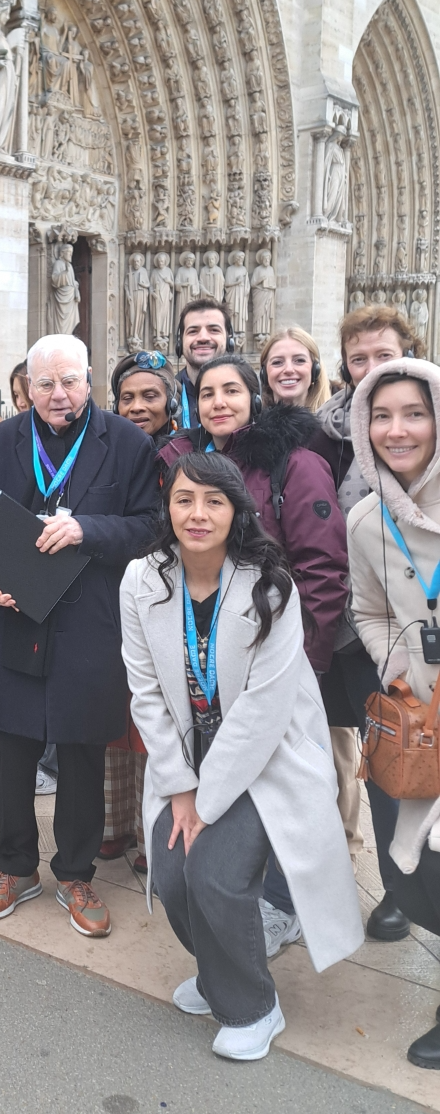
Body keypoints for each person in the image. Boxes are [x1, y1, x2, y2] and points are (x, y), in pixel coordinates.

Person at [121, 453, 362, 1060]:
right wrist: (178, 786)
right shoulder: (141, 579)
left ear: (237, 511)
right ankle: (219, 972)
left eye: (214, 501)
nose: (197, 514)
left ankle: (254, 1004)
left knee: (217, 876)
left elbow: (263, 711)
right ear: (168, 507)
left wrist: (206, 799)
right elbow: (144, 689)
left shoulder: (270, 585)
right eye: (184, 500)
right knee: (173, 875)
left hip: (262, 758)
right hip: (187, 755)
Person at [0, 334, 159, 937]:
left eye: (69, 381)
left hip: (87, 622)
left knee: (79, 750)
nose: (57, 394)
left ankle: (75, 874)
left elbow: (150, 527)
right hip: (16, 614)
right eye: (44, 383)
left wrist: (85, 529)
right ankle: (15, 867)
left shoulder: (127, 443)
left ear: (90, 379)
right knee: (14, 749)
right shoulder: (1, 442)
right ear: (25, 386)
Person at [157, 353, 350, 952]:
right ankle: (251, 893)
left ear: (254, 398)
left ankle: (288, 905)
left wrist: (301, 662)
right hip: (218, 659)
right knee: (240, 782)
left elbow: (322, 569)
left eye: (231, 391)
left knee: (290, 786)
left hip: (283, 657)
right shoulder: (190, 465)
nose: (218, 402)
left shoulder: (295, 463)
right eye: (207, 392)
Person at [313, 304, 425, 943]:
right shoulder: (323, 431)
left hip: (395, 631)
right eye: (359, 359)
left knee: (392, 770)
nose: (371, 369)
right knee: (327, 759)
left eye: (384, 355)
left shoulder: (416, 431)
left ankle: (399, 894)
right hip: (334, 621)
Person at [347, 357, 440, 1068]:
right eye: (381, 415)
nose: (396, 429)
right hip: (419, 721)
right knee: (408, 873)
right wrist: (400, 668)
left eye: (413, 412)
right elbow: (368, 610)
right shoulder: (366, 519)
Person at [97, 349, 182, 872]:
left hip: (168, 597)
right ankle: (114, 824)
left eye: (150, 395)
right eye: (127, 397)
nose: (137, 406)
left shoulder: (182, 452)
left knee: (159, 717)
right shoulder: (106, 452)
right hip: (114, 595)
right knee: (114, 714)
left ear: (170, 399)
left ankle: (157, 833)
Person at [174, 297, 233, 432]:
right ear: (180, 343)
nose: (203, 338)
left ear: (229, 341)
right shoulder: (165, 398)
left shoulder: (248, 398)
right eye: (193, 331)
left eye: (213, 330)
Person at [259, 326, 331, 413]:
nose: (289, 369)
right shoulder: (249, 424)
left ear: (315, 370)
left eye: (300, 360)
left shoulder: (339, 423)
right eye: (277, 362)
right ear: (264, 373)